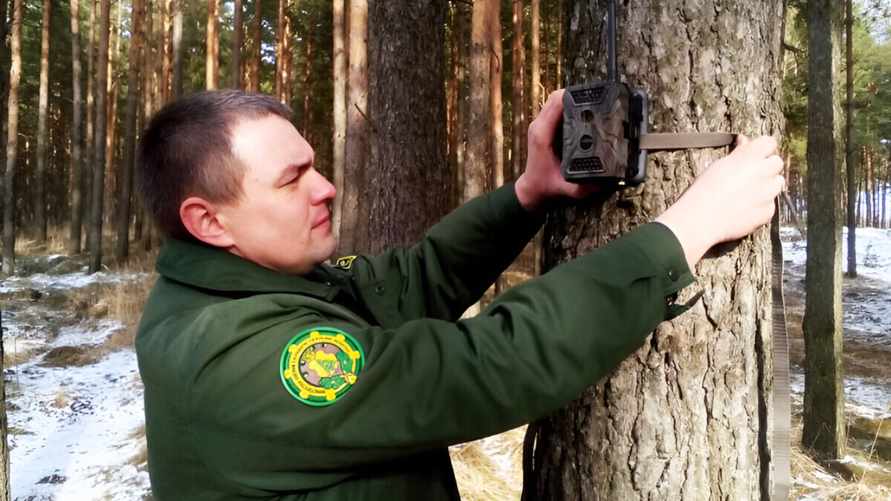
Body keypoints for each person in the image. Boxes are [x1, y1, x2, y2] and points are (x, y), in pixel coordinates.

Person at [135, 89, 784, 500]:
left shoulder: (250, 282)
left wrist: (527, 194)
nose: (326, 187)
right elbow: (478, 369)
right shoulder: (232, 353)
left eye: (316, 165)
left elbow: (411, 281)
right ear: (208, 221)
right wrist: (682, 233)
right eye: (291, 179)